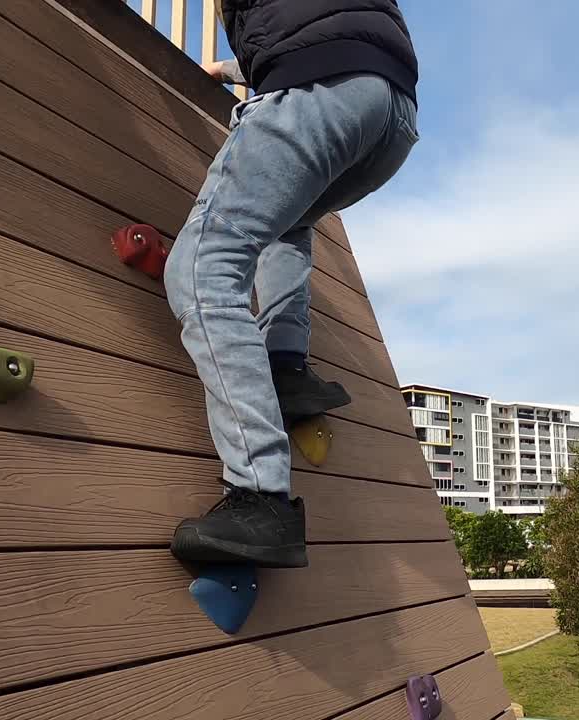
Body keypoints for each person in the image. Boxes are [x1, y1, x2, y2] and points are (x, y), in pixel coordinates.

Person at [165, 1, 419, 570]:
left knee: (202, 269)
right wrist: (233, 72)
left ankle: (261, 497)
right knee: (289, 220)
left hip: (320, 86)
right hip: (391, 109)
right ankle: (285, 364)